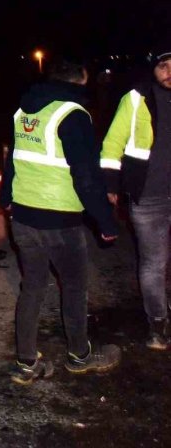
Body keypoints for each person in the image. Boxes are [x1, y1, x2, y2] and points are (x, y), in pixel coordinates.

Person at [0, 58, 121, 385]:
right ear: (81, 79)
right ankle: (80, 356)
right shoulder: (72, 114)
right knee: (74, 287)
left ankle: (26, 363)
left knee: (32, 287)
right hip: (60, 220)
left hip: (23, 216)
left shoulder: (24, 111)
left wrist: (5, 197)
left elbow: (13, 159)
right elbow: (86, 176)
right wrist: (105, 222)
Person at [101, 49, 171, 350]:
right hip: (148, 197)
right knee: (154, 262)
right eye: (164, 66)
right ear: (153, 68)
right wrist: (110, 184)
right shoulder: (135, 98)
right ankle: (157, 324)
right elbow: (112, 144)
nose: (169, 72)